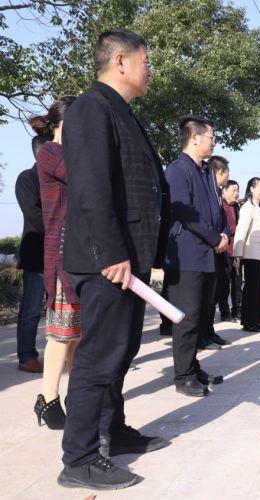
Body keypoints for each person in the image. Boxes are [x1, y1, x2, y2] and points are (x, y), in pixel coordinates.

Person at [58, 29, 171, 490]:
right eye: (146, 61)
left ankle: (113, 432)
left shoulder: (122, 112)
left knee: (122, 351)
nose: (150, 71)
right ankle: (79, 458)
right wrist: (111, 254)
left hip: (127, 259)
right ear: (121, 61)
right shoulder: (91, 108)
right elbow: (91, 189)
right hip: (107, 261)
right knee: (98, 358)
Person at [163, 116, 227, 397]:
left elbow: (216, 209)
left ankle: (193, 366)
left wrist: (223, 233)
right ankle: (183, 376)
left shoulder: (205, 172)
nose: (214, 142)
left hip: (208, 254)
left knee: (201, 315)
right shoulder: (177, 170)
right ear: (195, 138)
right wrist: (215, 238)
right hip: (187, 255)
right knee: (186, 319)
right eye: (211, 137)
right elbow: (184, 213)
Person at [30, 96, 81, 431]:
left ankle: (78, 397)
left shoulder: (73, 154)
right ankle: (47, 399)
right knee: (61, 333)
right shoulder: (51, 152)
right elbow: (83, 180)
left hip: (79, 254)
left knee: (77, 335)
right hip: (62, 254)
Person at [15, 136, 47, 374]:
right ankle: (27, 356)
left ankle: (67, 353)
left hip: (63, 252)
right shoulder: (27, 179)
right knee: (32, 309)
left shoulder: (61, 179)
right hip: (37, 255)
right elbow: (35, 217)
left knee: (65, 309)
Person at [234, 177, 260, 332]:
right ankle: (248, 322)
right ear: (251, 189)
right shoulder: (247, 207)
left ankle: (258, 320)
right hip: (251, 254)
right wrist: (237, 253)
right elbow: (241, 231)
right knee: (251, 290)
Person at [200, 155, 231, 349]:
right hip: (208, 249)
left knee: (214, 295)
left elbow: (224, 222)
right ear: (219, 172)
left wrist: (225, 236)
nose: (228, 177)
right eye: (227, 173)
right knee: (204, 298)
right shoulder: (206, 191)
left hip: (220, 249)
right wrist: (216, 238)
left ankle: (210, 332)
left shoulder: (218, 193)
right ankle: (202, 336)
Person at [219, 179, 241, 321]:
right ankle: (224, 312)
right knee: (224, 284)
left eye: (237, 190)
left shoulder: (237, 207)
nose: (236, 193)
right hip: (225, 250)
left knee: (238, 282)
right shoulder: (220, 206)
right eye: (233, 190)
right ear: (224, 191)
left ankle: (237, 310)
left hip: (237, 248)